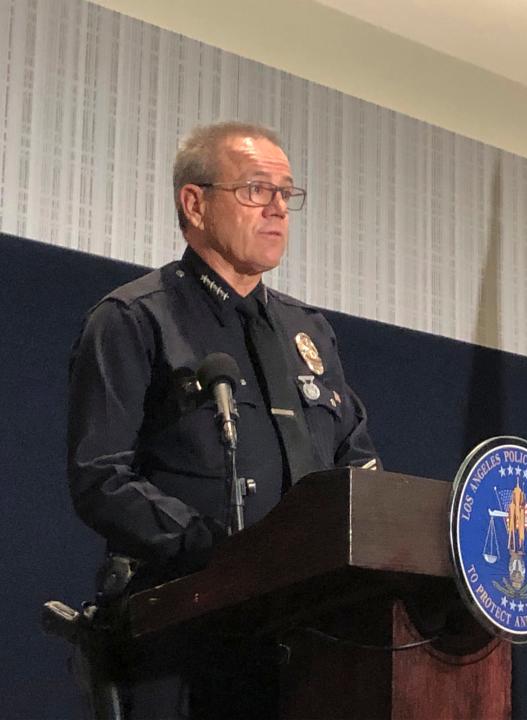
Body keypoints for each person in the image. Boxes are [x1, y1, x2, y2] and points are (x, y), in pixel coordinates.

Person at [66, 121, 380, 718]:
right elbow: (99, 477)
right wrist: (220, 551)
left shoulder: (308, 332)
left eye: (288, 193)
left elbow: (355, 462)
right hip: (181, 635)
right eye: (258, 190)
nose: (279, 209)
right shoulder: (133, 319)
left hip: (309, 639)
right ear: (195, 202)